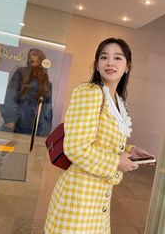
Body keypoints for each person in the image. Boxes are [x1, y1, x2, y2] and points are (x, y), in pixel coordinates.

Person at [44, 38, 154, 233]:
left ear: (127, 66)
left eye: (117, 58)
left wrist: (129, 150)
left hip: (99, 199)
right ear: (96, 65)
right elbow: (76, 148)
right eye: (104, 57)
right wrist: (116, 163)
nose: (110, 62)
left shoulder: (118, 100)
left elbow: (100, 139)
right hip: (78, 199)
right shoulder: (89, 93)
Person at [0, 48, 53, 136]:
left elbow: (48, 107)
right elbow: (10, 95)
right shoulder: (21, 72)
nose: (31, 57)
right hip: (18, 122)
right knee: (11, 147)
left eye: (35, 54)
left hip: (37, 127)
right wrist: (10, 119)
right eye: (29, 55)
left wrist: (46, 128)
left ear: (41, 59)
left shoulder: (46, 81)